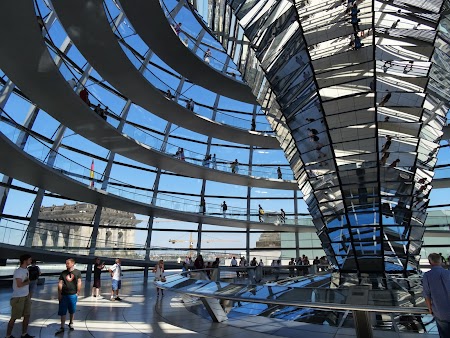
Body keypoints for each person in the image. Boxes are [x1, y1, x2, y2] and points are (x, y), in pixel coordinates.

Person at [423, 253, 450, 338]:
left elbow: (426, 294)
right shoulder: (448, 273)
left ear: (430, 262)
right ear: (441, 261)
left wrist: (430, 309)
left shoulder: (427, 275)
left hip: (440, 312)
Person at [6, 254, 33, 338]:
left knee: (27, 315)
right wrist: (27, 282)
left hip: (26, 296)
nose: (31, 261)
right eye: (29, 260)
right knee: (14, 317)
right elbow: (19, 284)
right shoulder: (18, 271)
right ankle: (8, 335)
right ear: (25, 261)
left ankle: (24, 334)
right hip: (18, 297)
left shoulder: (26, 270)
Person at [55, 258, 82, 335]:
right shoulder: (63, 273)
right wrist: (59, 294)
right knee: (63, 311)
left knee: (72, 310)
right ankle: (62, 326)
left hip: (73, 294)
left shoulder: (77, 272)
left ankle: (71, 322)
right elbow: (60, 283)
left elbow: (79, 282)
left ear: (73, 263)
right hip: (64, 294)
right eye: (66, 263)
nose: (66, 265)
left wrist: (78, 292)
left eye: (68, 263)